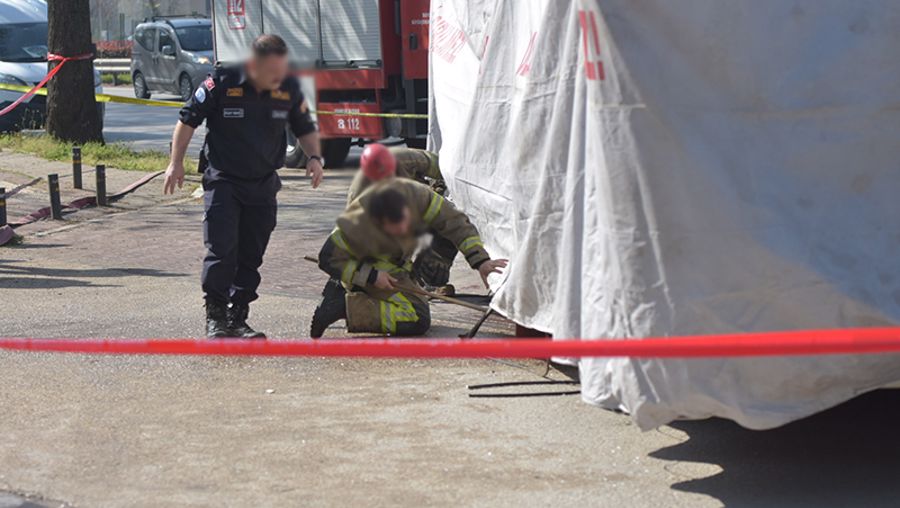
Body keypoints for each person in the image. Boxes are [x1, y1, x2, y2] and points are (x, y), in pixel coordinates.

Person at [163, 34, 324, 339]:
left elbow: (304, 127)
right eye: (271, 72)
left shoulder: (287, 88)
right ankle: (216, 316)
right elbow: (187, 120)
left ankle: (238, 316)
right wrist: (176, 162)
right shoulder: (222, 82)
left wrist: (314, 157)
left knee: (251, 254)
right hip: (224, 180)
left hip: (263, 183)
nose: (277, 78)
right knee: (222, 250)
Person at [310, 179, 508, 338]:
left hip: (397, 264)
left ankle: (344, 289)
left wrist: (480, 261)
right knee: (416, 318)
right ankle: (343, 305)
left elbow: (456, 224)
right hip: (368, 265)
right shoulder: (359, 217)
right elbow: (328, 257)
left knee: (418, 305)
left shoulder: (421, 198)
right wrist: (372, 276)